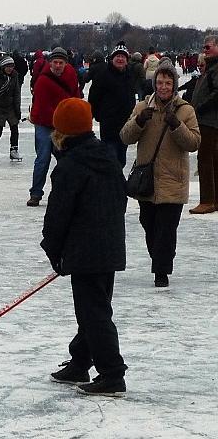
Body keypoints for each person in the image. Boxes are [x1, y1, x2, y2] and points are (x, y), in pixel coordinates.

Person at [40, 97, 128, 397]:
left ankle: (112, 373)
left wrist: (54, 250)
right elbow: (121, 200)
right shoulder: (107, 157)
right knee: (93, 310)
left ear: (61, 131)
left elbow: (57, 216)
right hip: (109, 247)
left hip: (86, 251)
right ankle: (80, 361)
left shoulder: (70, 167)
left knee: (94, 314)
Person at [119, 59, 200, 287]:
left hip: (173, 181)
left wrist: (177, 125)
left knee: (166, 230)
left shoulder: (186, 110)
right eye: (160, 82)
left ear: (174, 85)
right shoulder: (143, 107)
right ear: (154, 84)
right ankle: (160, 261)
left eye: (168, 82)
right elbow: (125, 136)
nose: (163, 87)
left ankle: (161, 271)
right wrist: (139, 121)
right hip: (148, 182)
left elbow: (194, 142)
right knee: (149, 224)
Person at [27, 47, 81, 207]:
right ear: (50, 63)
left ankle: (66, 192)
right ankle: (35, 193)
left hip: (63, 123)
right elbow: (44, 108)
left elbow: (75, 94)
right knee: (43, 159)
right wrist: (60, 125)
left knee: (66, 160)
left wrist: (77, 113)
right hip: (44, 123)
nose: (58, 66)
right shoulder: (43, 81)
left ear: (66, 63)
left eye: (61, 63)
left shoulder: (70, 73)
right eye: (55, 62)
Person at [87, 43, 137, 168]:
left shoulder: (129, 76)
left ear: (127, 59)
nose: (120, 59)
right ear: (112, 58)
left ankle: (116, 185)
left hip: (125, 125)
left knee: (121, 160)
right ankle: (111, 186)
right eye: (117, 56)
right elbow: (93, 98)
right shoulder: (103, 75)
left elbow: (131, 97)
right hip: (109, 126)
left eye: (123, 57)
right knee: (110, 159)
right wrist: (100, 116)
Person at [187, 35, 218, 214]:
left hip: (208, 120)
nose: (205, 50)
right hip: (208, 120)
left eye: (208, 47)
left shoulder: (215, 68)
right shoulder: (211, 67)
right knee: (212, 158)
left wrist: (200, 108)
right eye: (204, 47)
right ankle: (214, 199)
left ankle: (207, 200)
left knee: (205, 159)